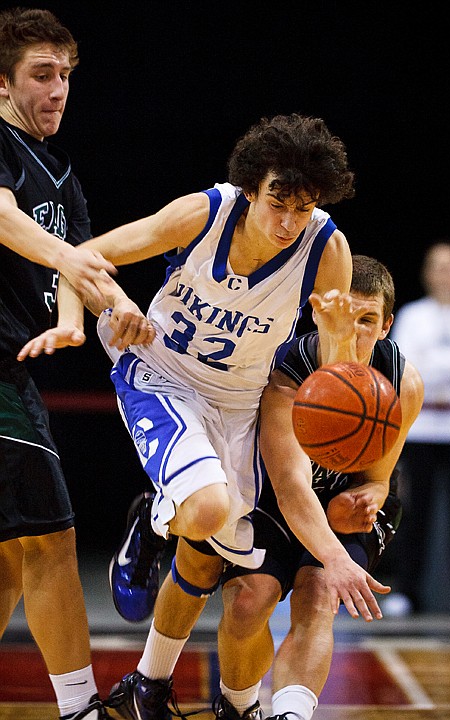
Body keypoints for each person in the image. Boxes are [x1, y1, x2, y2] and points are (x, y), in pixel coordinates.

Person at [19, 114, 393, 720]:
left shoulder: (328, 249)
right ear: (251, 188)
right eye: (277, 203)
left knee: (208, 555)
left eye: (303, 208)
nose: (288, 222)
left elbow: (338, 382)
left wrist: (334, 337)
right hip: (161, 370)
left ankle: (152, 684)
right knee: (208, 508)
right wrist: (73, 321)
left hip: (238, 400)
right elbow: (83, 256)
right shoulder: (205, 213)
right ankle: (153, 519)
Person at [0, 8, 150, 719]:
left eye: (65, 75)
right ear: (1, 83)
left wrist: (114, 315)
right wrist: (65, 261)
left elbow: (81, 273)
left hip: (14, 369)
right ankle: (80, 708)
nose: (58, 88)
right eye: (41, 75)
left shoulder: (59, 171)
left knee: (10, 558)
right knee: (53, 538)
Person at [211, 254, 424, 720]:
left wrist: (363, 501)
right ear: (326, 314)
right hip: (276, 493)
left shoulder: (403, 383)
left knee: (320, 593)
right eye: (348, 317)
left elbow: (380, 481)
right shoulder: (289, 369)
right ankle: (238, 705)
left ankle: (291, 715)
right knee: (248, 602)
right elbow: (288, 487)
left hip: (340, 498)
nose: (357, 331)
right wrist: (330, 543)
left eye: (369, 320)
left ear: (387, 325)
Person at [384, 240, 450, 615]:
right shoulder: (412, 315)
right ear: (426, 273)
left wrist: (436, 366)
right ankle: (406, 590)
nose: (443, 274)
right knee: (412, 513)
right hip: (421, 427)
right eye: (436, 266)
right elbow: (405, 364)